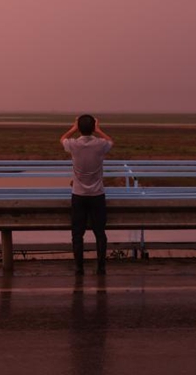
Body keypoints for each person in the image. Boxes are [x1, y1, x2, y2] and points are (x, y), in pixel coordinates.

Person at [60, 114, 114, 276]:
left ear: (79, 128)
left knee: (77, 233)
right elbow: (111, 141)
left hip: (78, 195)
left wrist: (73, 128)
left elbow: (62, 138)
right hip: (97, 195)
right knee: (100, 232)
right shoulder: (101, 144)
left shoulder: (73, 145)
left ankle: (79, 267)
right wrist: (99, 130)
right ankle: (101, 267)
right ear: (93, 128)